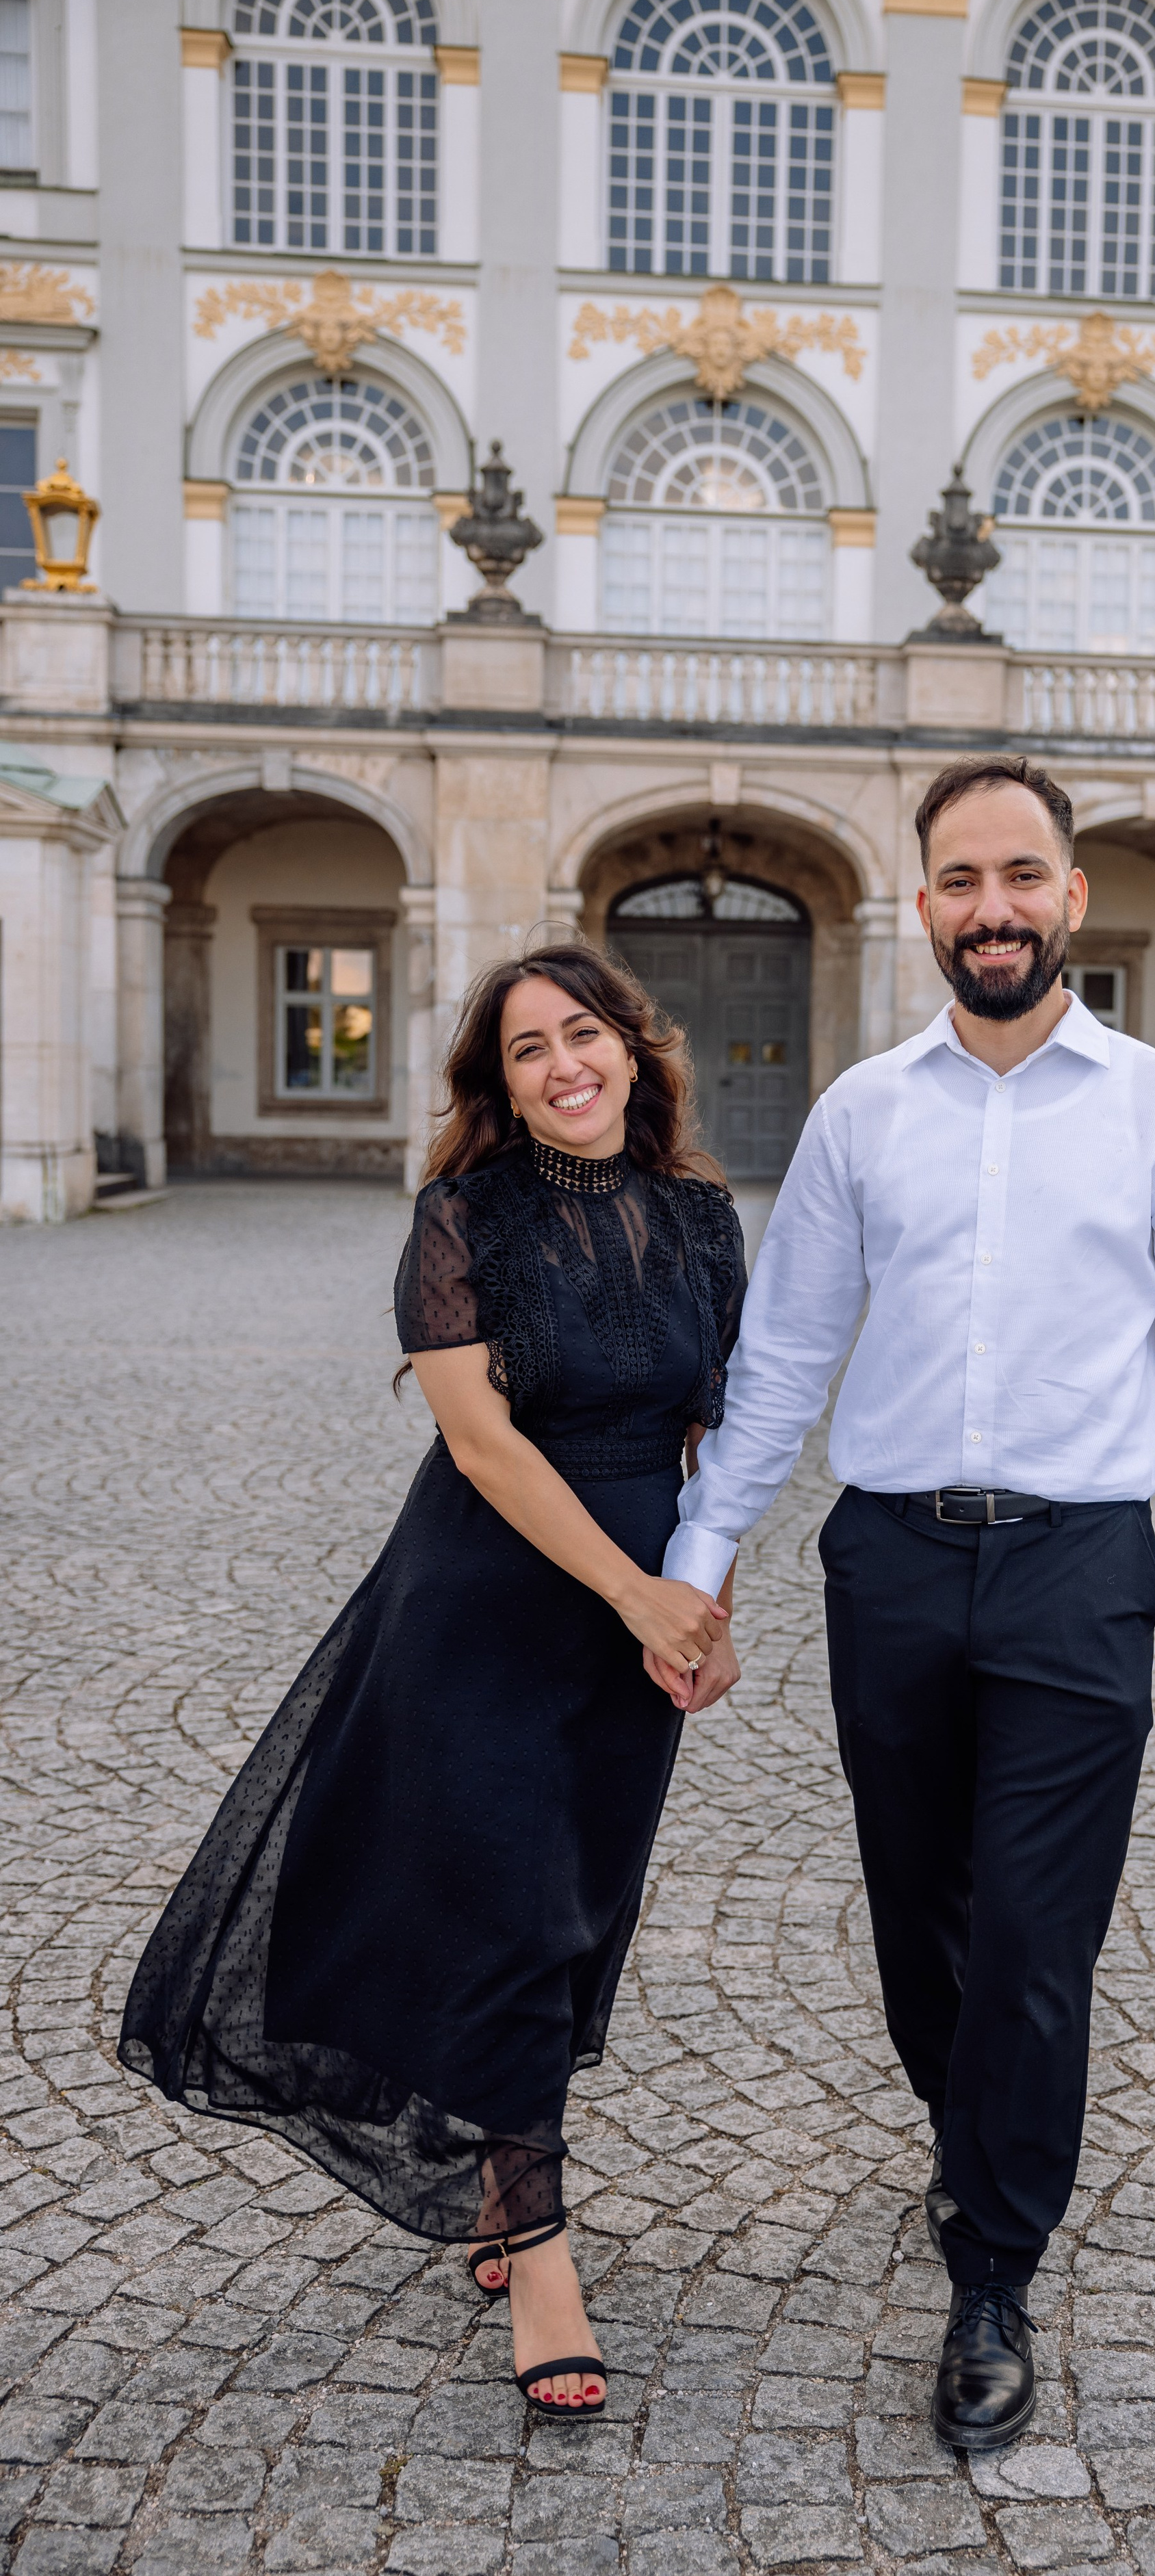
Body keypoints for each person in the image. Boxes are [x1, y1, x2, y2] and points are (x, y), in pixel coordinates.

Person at [651, 755, 1155, 2452]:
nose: (989, 908)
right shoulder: (865, 1112)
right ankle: (973, 2123)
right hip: (894, 1560)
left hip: (1083, 1566)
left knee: (1029, 1934)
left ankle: (993, 2257)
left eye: (1019, 876)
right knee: (916, 1904)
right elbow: (780, 1358)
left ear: (1069, 895)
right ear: (919, 902)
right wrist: (697, 1568)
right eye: (957, 880)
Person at [121, 942, 747, 2424]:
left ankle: (496, 2175)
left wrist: (706, 1605)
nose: (560, 1067)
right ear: (498, 1084)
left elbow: (721, 1430)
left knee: (583, 1902)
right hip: (482, 1600)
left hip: (640, 1610)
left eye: (580, 1034)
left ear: (634, 1051)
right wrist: (634, 1588)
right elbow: (484, 1447)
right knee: (514, 1907)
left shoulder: (706, 1220)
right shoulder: (462, 1217)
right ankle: (540, 2254)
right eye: (526, 1050)